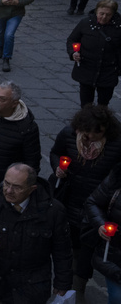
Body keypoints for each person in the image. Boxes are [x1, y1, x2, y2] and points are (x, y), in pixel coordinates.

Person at [0, 164, 72, 304]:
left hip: (33, 288)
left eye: (17, 187)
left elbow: (62, 250)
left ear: (32, 189)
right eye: (6, 183)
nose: (9, 190)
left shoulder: (53, 212)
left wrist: (62, 282)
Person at [50, 105, 121, 299]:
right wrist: (58, 167)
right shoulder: (68, 135)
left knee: (87, 249)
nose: (91, 137)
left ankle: (78, 286)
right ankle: (71, 285)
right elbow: (56, 152)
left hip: (99, 204)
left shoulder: (117, 143)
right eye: (87, 133)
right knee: (69, 244)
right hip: (70, 199)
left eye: (96, 133)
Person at [67, 0, 121, 107]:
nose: (104, 17)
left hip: (108, 70)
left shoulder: (118, 28)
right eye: (101, 13)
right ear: (96, 11)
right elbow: (72, 40)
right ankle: (86, 121)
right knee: (86, 103)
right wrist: (73, 53)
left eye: (108, 14)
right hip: (87, 68)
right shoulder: (85, 23)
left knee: (103, 102)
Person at [84, 165, 121, 303]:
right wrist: (100, 224)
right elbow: (93, 202)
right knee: (118, 297)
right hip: (115, 256)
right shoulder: (117, 177)